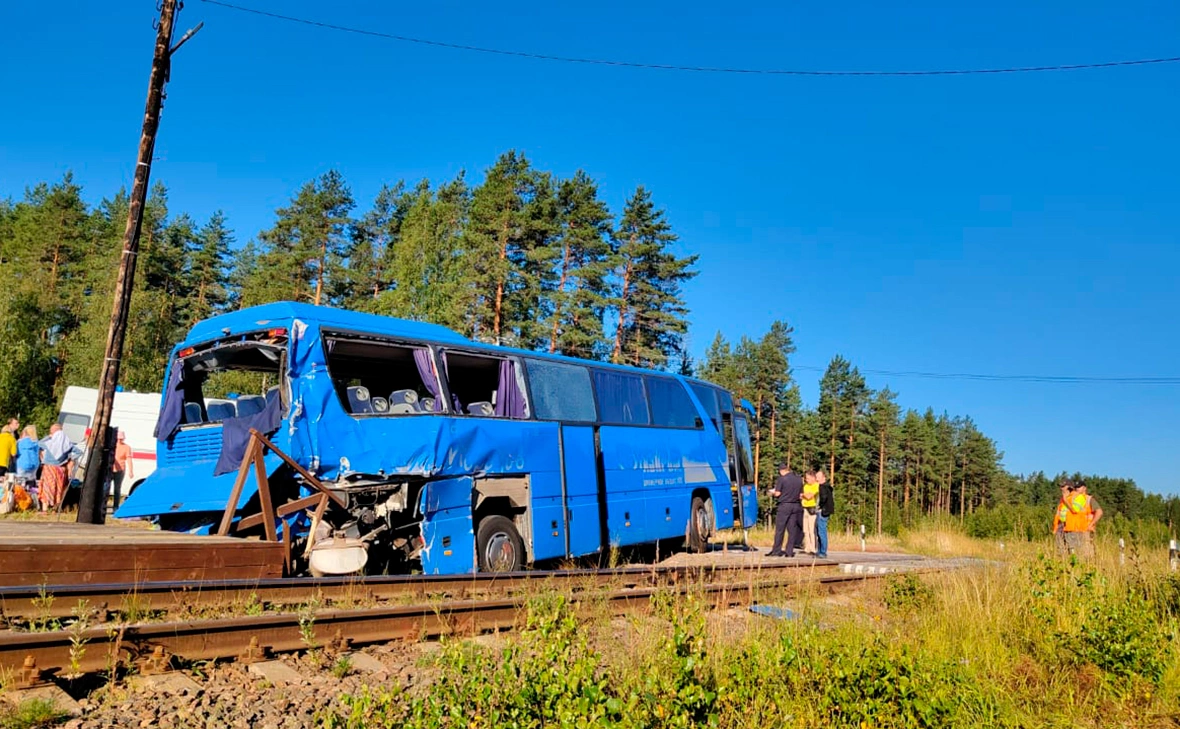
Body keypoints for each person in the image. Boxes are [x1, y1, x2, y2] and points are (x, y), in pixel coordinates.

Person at [768, 464, 804, 557]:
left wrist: (772, 493)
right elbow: (801, 495)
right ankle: (789, 551)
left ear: (781, 471)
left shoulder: (782, 479)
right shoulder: (799, 479)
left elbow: (777, 493)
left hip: (784, 505)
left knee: (780, 529)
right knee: (792, 530)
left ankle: (776, 550)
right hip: (795, 505)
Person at [38, 423, 73, 512]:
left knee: (47, 487)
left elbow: (39, 444)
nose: (50, 432)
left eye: (52, 431)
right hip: (61, 469)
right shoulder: (67, 442)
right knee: (58, 489)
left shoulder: (50, 442)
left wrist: (48, 437)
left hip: (50, 468)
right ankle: (55, 509)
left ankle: (45, 509)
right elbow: (71, 457)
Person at [1062, 480, 1103, 557]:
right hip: (1072, 531)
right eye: (1076, 487)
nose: (1077, 488)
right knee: (1073, 556)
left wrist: (1091, 524)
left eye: (1079, 487)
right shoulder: (1072, 498)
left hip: (1085, 531)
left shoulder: (1088, 499)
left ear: (1084, 488)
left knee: (1087, 556)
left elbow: (1099, 512)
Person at [15, 425, 40, 508]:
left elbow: (16, 453)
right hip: (34, 465)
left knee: (19, 485)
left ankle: (20, 504)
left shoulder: (20, 442)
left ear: (24, 432)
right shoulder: (36, 443)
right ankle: (34, 503)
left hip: (22, 464)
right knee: (31, 485)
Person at [110, 430, 133, 509]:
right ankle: (103, 504)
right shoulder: (112, 446)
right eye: (118, 439)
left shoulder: (127, 447)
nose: (120, 440)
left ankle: (115, 506)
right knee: (106, 487)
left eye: (121, 439)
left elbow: (129, 459)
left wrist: (131, 471)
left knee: (117, 489)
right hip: (110, 469)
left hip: (120, 470)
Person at [1051, 480, 1073, 553]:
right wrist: (1055, 527)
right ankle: (1062, 558)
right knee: (1060, 546)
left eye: (1063, 486)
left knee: (1071, 546)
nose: (1061, 488)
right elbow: (1058, 512)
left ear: (1069, 487)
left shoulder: (1074, 497)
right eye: (1060, 486)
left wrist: (1065, 499)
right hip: (1061, 524)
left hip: (1070, 525)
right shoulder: (1062, 499)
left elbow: (1075, 511)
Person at [801, 471, 820, 555]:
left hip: (812, 508)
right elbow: (803, 495)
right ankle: (807, 548)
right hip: (805, 507)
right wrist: (804, 495)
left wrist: (803, 495)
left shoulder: (816, 486)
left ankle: (813, 548)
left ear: (813, 478)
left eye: (808, 478)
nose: (806, 480)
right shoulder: (805, 486)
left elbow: (809, 496)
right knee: (806, 530)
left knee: (811, 529)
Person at [816, 470, 834, 559]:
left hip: (823, 511)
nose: (817, 479)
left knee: (821, 532)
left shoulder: (822, 487)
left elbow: (823, 498)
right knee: (820, 531)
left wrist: (819, 506)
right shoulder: (828, 487)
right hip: (826, 511)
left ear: (823, 477)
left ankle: (822, 552)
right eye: (816, 477)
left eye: (818, 477)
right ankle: (820, 551)